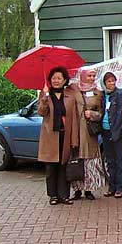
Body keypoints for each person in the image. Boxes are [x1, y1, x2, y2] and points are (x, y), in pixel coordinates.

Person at [37, 66, 80, 205]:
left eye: (59, 78)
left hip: (65, 136)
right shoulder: (46, 95)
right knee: (51, 167)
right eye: (53, 78)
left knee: (63, 166)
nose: (56, 81)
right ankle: (53, 195)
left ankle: (64, 195)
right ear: (50, 80)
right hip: (50, 137)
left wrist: (74, 139)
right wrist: (43, 98)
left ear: (64, 80)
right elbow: (41, 112)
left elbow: (73, 118)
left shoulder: (69, 96)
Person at [69, 68, 106, 201]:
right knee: (76, 158)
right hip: (75, 130)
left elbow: (101, 113)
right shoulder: (73, 89)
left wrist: (93, 115)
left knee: (90, 160)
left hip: (90, 132)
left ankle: (89, 189)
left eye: (93, 76)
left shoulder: (98, 92)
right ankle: (77, 189)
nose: (91, 78)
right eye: (89, 75)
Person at [100, 71, 122, 199]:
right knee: (110, 161)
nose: (111, 83)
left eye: (113, 81)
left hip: (119, 132)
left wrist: (115, 133)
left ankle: (120, 188)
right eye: (109, 81)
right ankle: (111, 187)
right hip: (105, 131)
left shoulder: (120, 94)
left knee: (120, 160)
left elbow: (120, 115)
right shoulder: (102, 95)